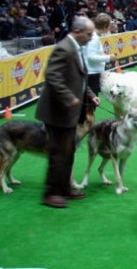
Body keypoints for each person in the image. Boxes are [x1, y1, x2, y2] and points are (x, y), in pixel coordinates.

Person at [35, 16, 100, 209]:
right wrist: (69, 98)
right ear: (77, 32)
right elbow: (52, 76)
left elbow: (80, 78)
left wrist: (89, 95)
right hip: (58, 113)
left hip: (71, 112)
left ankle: (64, 188)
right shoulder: (64, 48)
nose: (91, 37)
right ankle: (51, 193)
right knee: (58, 154)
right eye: (89, 34)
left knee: (68, 153)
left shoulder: (77, 48)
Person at [83, 13, 117, 97]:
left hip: (90, 73)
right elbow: (91, 57)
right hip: (91, 75)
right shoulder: (94, 38)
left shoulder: (92, 36)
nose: (110, 27)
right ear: (105, 26)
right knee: (90, 105)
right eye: (109, 25)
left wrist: (102, 54)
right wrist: (109, 58)